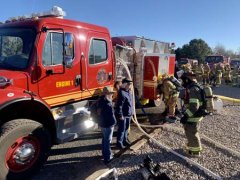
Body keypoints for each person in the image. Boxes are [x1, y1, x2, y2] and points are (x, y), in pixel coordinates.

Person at [180, 71, 204, 157]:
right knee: (190, 132)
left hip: (193, 116)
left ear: (187, 79)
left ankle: (195, 152)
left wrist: (186, 116)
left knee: (191, 133)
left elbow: (194, 106)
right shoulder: (194, 87)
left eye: (183, 80)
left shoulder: (193, 89)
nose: (182, 82)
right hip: (194, 115)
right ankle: (191, 145)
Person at [98, 86, 117, 164]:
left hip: (103, 124)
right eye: (111, 93)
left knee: (104, 140)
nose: (112, 95)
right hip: (108, 125)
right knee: (107, 141)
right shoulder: (107, 103)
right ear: (107, 94)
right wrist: (114, 123)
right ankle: (108, 157)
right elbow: (111, 116)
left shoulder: (101, 101)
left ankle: (104, 154)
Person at [115, 78, 134, 149]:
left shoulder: (129, 91)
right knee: (122, 129)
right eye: (129, 84)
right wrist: (120, 115)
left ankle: (124, 140)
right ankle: (119, 143)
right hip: (123, 115)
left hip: (128, 114)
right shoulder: (122, 93)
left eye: (130, 84)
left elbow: (131, 103)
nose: (130, 86)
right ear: (125, 84)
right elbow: (119, 106)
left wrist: (132, 112)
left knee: (126, 128)